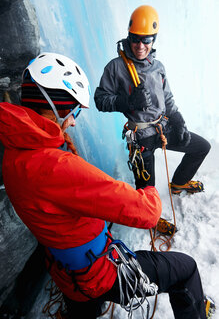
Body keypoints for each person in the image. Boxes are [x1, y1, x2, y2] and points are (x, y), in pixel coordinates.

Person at [0, 52, 211, 319]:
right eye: (74, 111)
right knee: (186, 269)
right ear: (57, 108)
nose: (74, 120)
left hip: (66, 273)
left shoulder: (14, 152)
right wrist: (148, 186)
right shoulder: (57, 167)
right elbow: (147, 212)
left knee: (85, 306)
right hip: (96, 275)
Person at [94, 5, 211, 196]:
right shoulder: (116, 67)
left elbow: (168, 99)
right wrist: (128, 102)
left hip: (163, 127)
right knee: (147, 193)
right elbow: (100, 100)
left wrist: (178, 120)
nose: (140, 46)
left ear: (153, 40)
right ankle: (151, 221)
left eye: (146, 40)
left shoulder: (158, 67)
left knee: (201, 147)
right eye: (135, 39)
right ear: (129, 37)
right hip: (140, 136)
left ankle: (179, 183)